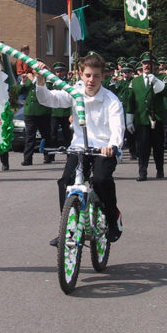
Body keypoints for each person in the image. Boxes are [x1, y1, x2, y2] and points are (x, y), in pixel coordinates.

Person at [34, 53, 125, 245]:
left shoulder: (111, 100)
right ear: (80, 75)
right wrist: (40, 79)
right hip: (79, 148)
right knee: (65, 182)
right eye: (88, 75)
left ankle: (112, 218)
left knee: (100, 180)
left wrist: (113, 146)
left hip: (104, 149)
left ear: (103, 76)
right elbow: (48, 100)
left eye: (96, 76)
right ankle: (67, 228)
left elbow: (118, 127)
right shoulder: (74, 92)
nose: (91, 80)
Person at [125, 53, 167, 181]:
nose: (146, 66)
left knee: (158, 147)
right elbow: (131, 101)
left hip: (157, 118)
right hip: (141, 118)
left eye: (149, 64)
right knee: (142, 147)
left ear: (154, 66)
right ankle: (142, 172)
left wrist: (156, 82)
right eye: (144, 63)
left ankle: (159, 170)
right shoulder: (135, 81)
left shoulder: (161, 78)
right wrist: (129, 119)